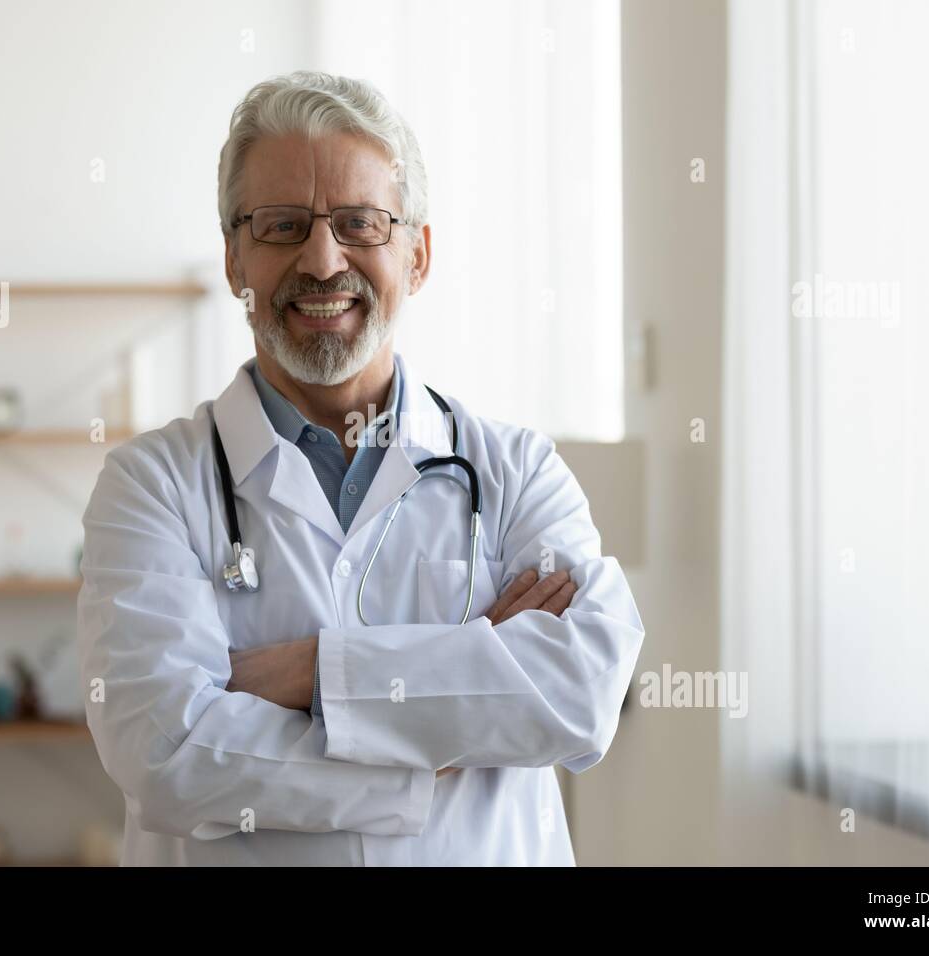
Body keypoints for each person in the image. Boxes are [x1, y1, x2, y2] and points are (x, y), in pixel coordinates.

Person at [76, 71, 645, 865]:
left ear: (418, 254)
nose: (320, 259)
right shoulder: (151, 486)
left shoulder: (516, 470)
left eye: (360, 223)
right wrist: (439, 743)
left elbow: (581, 691)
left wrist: (302, 672)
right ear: (235, 258)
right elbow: (166, 751)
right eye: (280, 226)